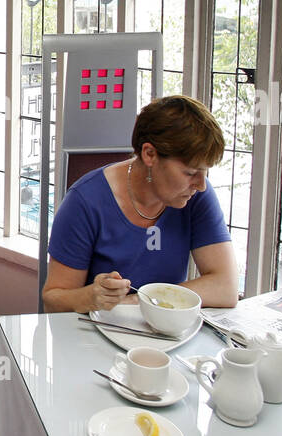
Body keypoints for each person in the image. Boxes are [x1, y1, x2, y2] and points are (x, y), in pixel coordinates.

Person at [41, 95, 239, 314]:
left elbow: (226, 287)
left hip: (162, 332)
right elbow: (52, 300)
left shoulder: (196, 196)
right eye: (190, 172)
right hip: (93, 334)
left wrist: (141, 302)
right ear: (149, 154)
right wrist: (90, 297)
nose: (201, 185)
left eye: (205, 172)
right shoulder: (85, 202)